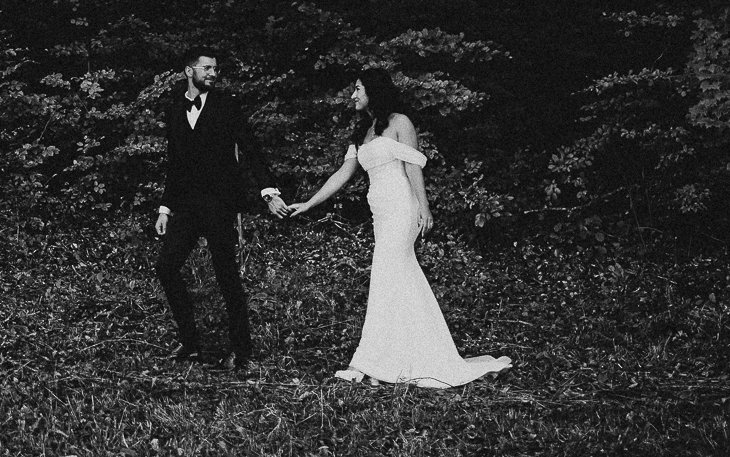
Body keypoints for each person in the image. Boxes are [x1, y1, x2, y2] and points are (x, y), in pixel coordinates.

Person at [287, 69, 512, 387]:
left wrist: (424, 207)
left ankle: (372, 360)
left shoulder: (400, 122)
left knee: (386, 274)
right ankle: (398, 355)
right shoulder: (363, 131)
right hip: (380, 214)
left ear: (373, 91)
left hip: (402, 209)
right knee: (397, 278)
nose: (353, 95)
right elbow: (343, 173)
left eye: (358, 89)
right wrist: (309, 203)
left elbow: (413, 166)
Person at [154, 49, 290, 371]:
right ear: (189, 71)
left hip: (219, 205)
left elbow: (251, 148)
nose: (214, 73)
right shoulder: (175, 109)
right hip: (187, 207)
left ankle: (241, 352)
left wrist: (268, 192)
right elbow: (175, 164)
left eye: (216, 68)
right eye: (207, 68)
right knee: (166, 267)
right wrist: (165, 208)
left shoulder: (227, 105)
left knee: (226, 275)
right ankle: (190, 344)